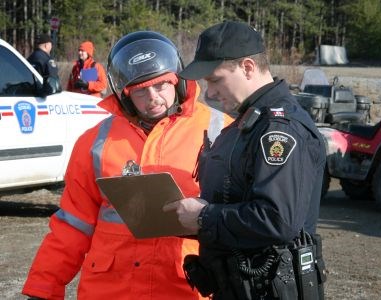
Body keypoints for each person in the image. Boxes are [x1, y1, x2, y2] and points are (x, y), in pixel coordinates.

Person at [22, 31, 232, 299]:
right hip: (111, 288)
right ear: (124, 94)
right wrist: (44, 288)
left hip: (185, 285)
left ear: (178, 81)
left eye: (161, 86)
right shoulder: (95, 142)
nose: (153, 97)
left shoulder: (221, 130)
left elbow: (245, 217)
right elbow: (71, 225)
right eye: (140, 91)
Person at [164, 21, 327, 299]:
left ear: (248, 68)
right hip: (239, 286)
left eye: (215, 79)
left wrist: (203, 217)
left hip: (269, 289)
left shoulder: (279, 129)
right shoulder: (247, 122)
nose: (210, 92)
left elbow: (277, 220)